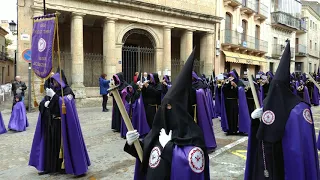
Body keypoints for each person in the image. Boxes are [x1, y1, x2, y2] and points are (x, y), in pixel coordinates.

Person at [124, 48, 210, 179]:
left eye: (170, 106)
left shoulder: (193, 135)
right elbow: (146, 155)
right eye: (165, 106)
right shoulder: (159, 131)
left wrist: (167, 147)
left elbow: (191, 162)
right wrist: (132, 143)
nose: (166, 110)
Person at [245, 41, 319, 180]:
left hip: (289, 159)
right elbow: (263, 131)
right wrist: (255, 121)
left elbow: (303, 143)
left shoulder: (300, 109)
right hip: (271, 158)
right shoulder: (269, 102)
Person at [29, 72, 90, 176]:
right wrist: (45, 103)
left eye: (56, 81)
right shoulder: (52, 90)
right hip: (51, 123)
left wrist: (55, 97)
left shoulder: (67, 91)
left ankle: (68, 167)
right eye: (53, 81)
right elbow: (43, 103)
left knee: (63, 146)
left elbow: (67, 103)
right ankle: (49, 167)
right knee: (50, 146)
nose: (54, 83)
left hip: (63, 124)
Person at [220, 69, 250, 135]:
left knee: (234, 116)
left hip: (234, 101)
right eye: (230, 75)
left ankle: (235, 129)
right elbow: (224, 91)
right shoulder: (227, 82)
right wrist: (226, 85)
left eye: (232, 75)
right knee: (228, 115)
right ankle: (229, 130)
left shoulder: (239, 82)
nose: (231, 76)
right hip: (227, 102)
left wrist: (235, 86)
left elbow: (241, 91)